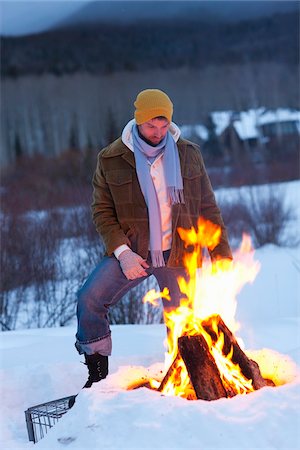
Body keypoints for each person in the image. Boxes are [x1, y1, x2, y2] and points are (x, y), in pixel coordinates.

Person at [75, 89, 232, 388]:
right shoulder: (111, 158)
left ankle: (185, 381)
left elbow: (208, 207)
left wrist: (221, 254)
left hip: (178, 254)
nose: (158, 133)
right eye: (151, 126)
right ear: (138, 120)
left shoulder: (188, 153)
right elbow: (102, 212)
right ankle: (96, 377)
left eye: (163, 126)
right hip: (133, 252)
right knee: (90, 299)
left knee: (183, 325)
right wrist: (123, 253)